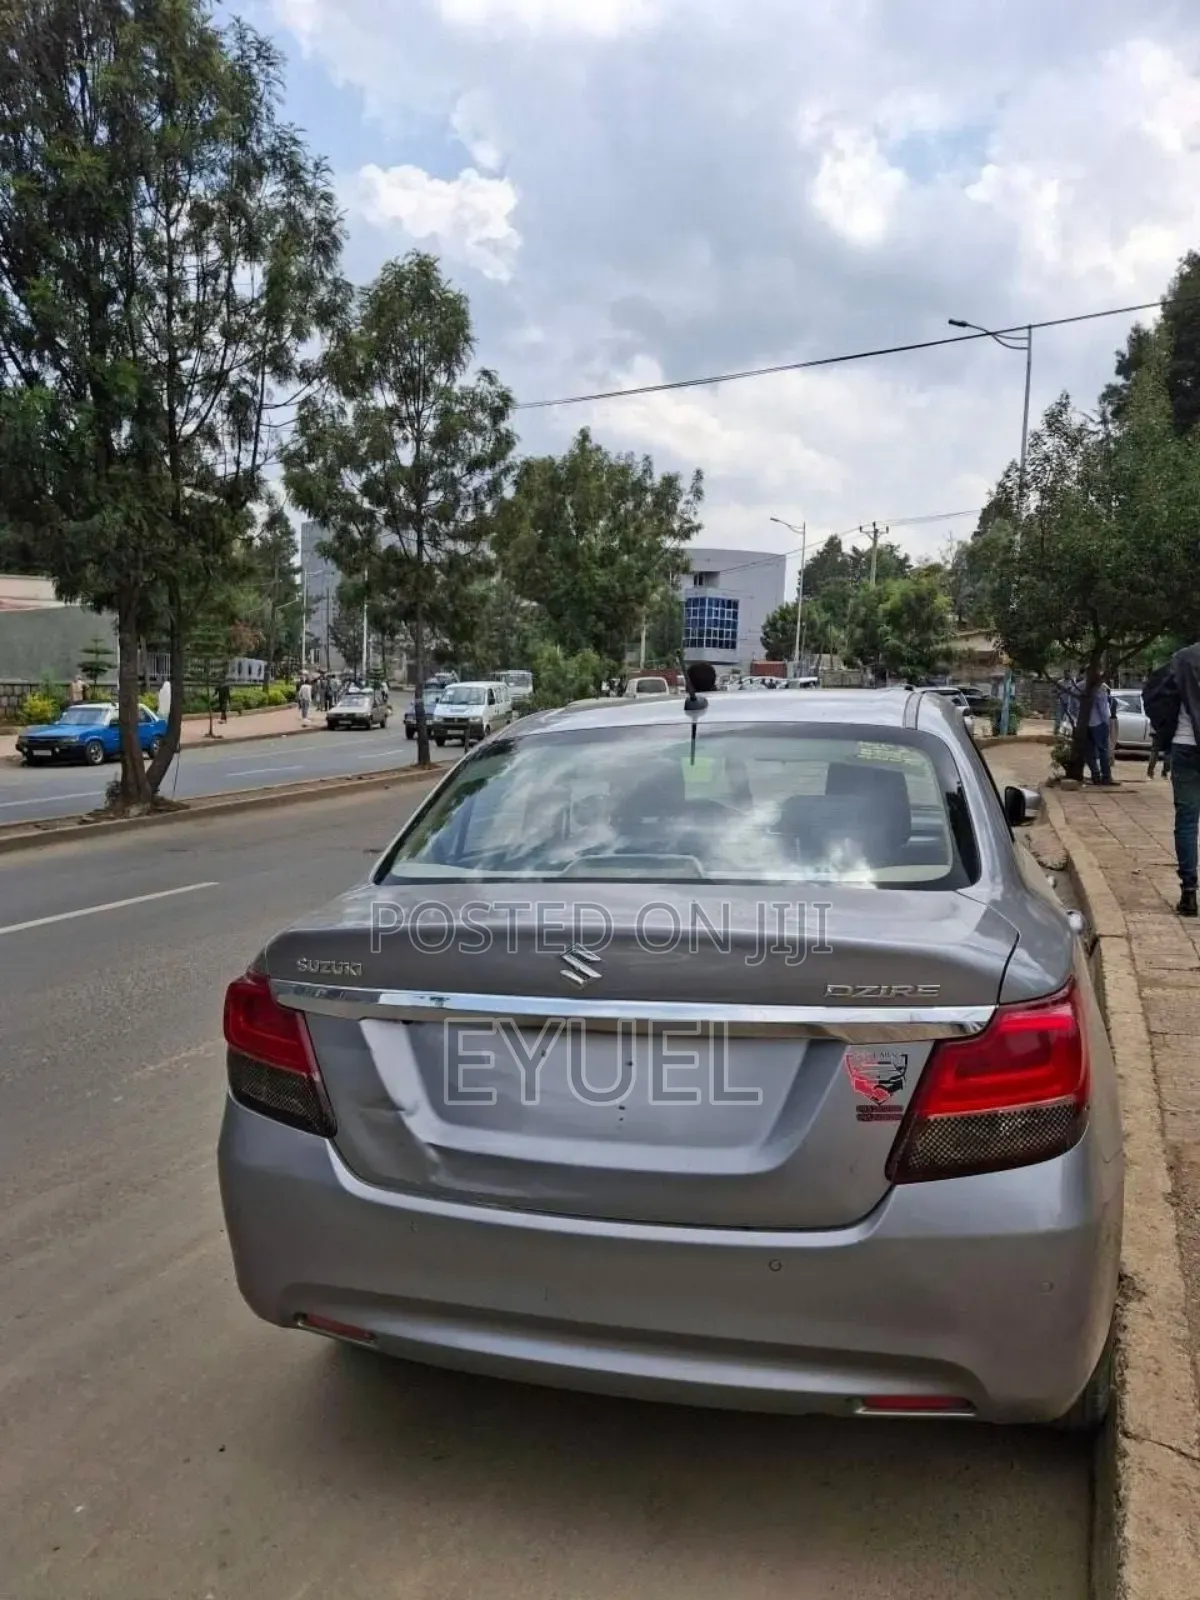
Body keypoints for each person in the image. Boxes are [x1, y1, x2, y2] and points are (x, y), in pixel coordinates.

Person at [1164, 642, 1200, 917]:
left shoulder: (1183, 657)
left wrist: (1164, 732)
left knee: (1187, 820)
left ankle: (1189, 891)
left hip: (1185, 745)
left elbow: (1157, 694)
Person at [1086, 678, 1118, 787]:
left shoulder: (1079, 686)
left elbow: (1072, 707)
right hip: (1098, 723)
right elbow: (1103, 708)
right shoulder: (1100, 688)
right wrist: (1107, 723)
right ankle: (1106, 777)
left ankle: (1095, 776)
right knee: (1103, 751)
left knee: (1089, 752)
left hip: (1084, 724)